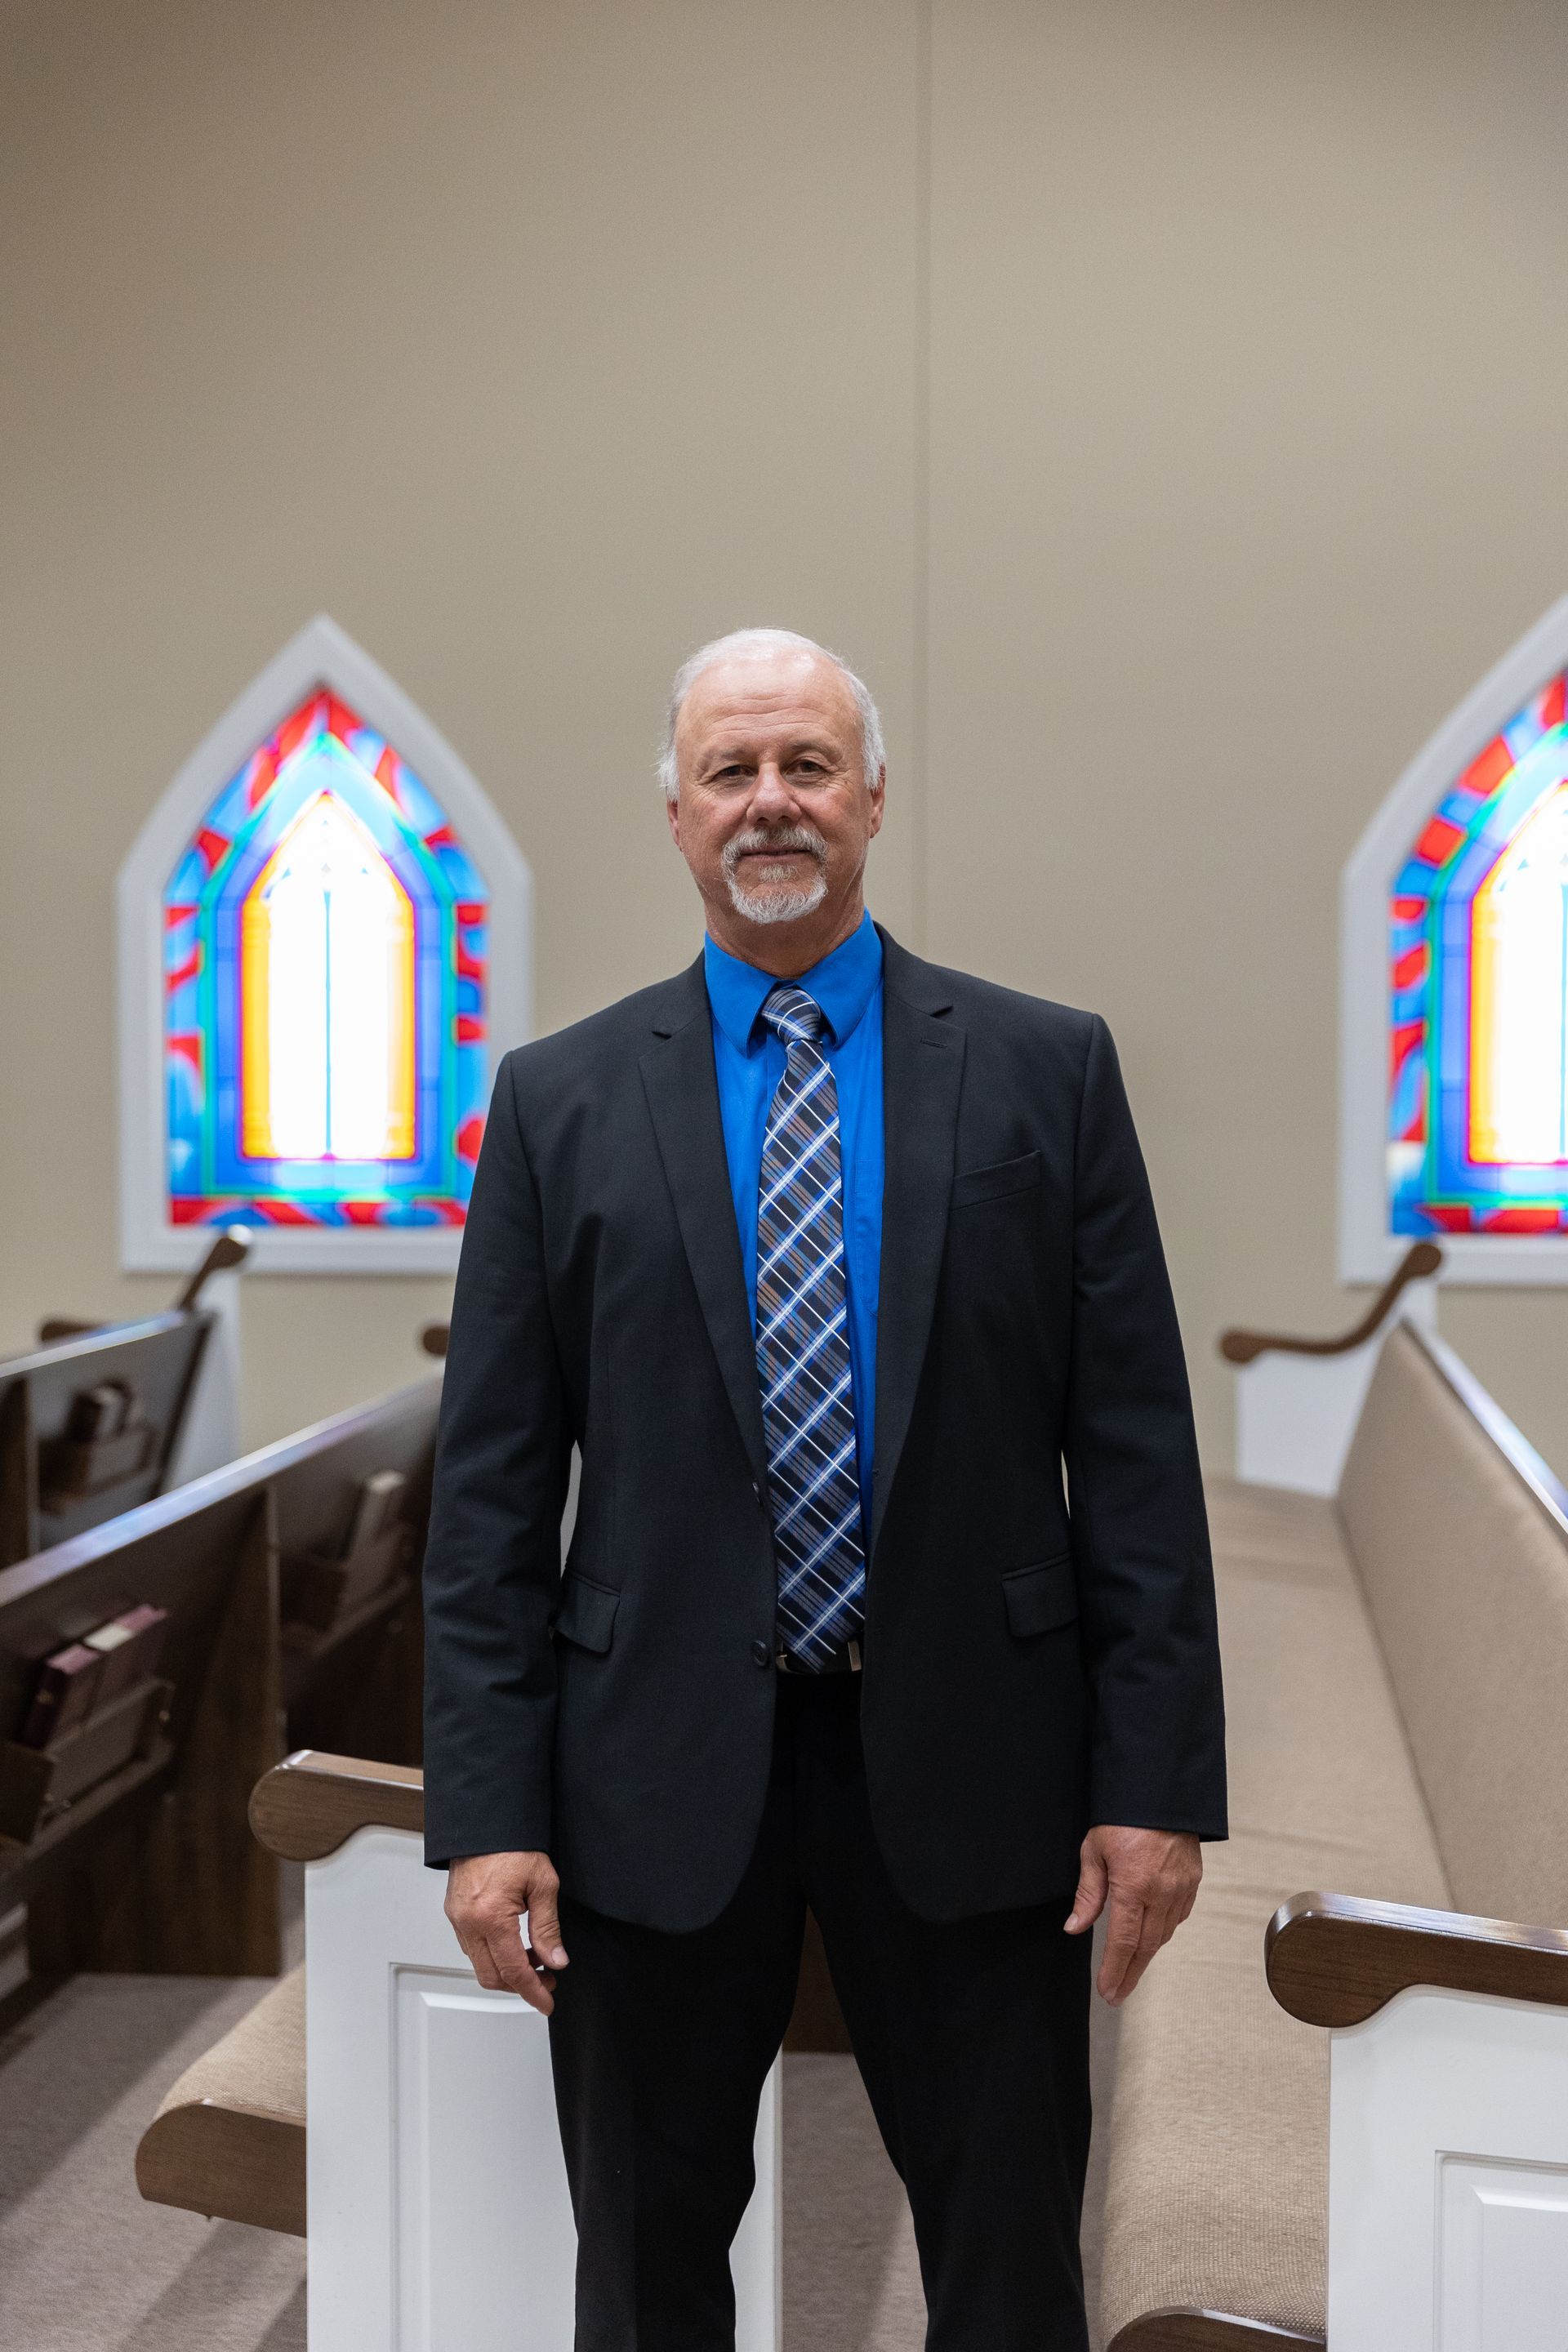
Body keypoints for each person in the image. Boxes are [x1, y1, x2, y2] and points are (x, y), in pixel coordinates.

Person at [422, 626, 1227, 2352]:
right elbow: (490, 1498)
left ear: (872, 798)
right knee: (642, 2275)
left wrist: (1158, 1781)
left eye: (804, 768)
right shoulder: (559, 1102)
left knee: (1010, 2262)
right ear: (676, 814)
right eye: (732, 771)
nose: (769, 804)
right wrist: (488, 1810)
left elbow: (1140, 1453)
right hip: (648, 1769)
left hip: (978, 1748)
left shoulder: (1043, 1069)